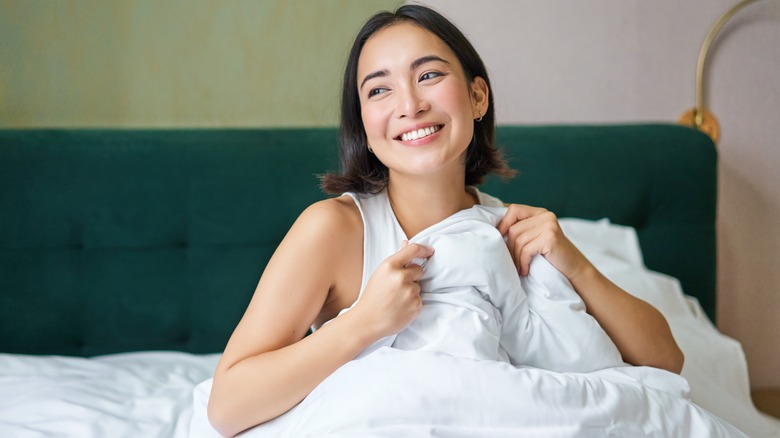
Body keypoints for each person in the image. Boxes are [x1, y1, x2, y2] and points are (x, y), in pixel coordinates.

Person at [206, 5, 683, 437]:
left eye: (428, 75)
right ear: (366, 128)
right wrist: (363, 325)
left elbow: (666, 362)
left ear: (477, 97)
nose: (409, 104)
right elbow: (227, 406)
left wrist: (577, 266)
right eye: (379, 89)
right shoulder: (334, 230)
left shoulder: (507, 229)